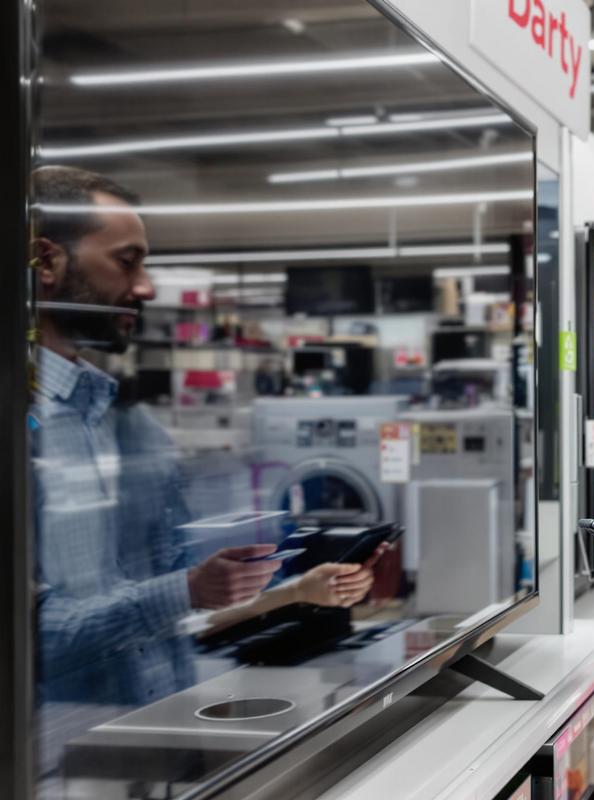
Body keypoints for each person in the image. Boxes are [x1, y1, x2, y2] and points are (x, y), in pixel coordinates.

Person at [29, 166, 379, 712]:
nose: (144, 287)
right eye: (127, 261)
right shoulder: (24, 429)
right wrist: (189, 588)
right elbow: (32, 638)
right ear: (47, 262)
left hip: (167, 724)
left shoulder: (132, 428)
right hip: (63, 755)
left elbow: (170, 607)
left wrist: (298, 591)